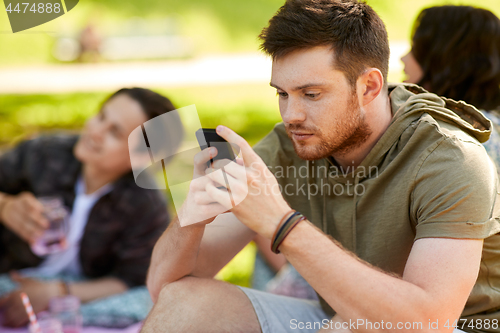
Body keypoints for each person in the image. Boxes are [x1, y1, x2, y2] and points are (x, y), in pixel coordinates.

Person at [143, 1, 500, 333]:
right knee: (184, 306)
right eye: (282, 93)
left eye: (311, 94)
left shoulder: (449, 157)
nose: (291, 115)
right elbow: (164, 287)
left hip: (461, 326)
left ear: (369, 87)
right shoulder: (290, 144)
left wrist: (281, 224)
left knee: (352, 326)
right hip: (343, 318)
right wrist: (192, 216)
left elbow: (428, 321)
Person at [0, 87, 182, 327]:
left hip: (81, 292)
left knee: (150, 303)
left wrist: (56, 292)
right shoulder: (43, 154)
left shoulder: (145, 203)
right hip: (11, 276)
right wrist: (5, 206)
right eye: (101, 116)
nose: (95, 132)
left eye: (114, 133)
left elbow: (131, 279)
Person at [401, 5, 500, 168]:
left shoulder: (458, 141)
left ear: (446, 61)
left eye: (415, 48)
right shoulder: (491, 128)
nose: (403, 58)